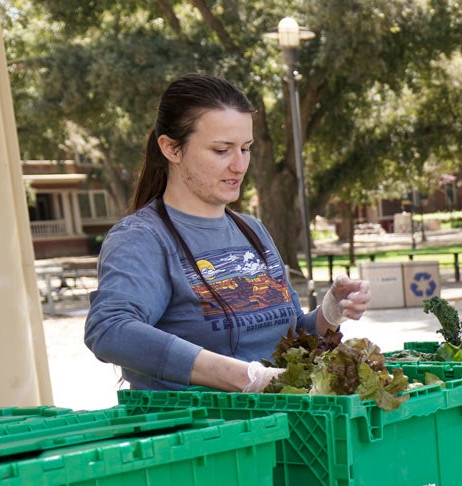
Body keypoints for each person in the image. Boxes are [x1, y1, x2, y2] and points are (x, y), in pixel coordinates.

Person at [85, 73, 370, 392]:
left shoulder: (252, 230)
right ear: (171, 149)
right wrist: (242, 377)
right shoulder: (142, 238)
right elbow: (109, 329)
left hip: (281, 425)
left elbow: (287, 340)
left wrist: (328, 314)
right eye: (221, 150)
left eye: (245, 149)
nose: (239, 165)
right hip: (204, 433)